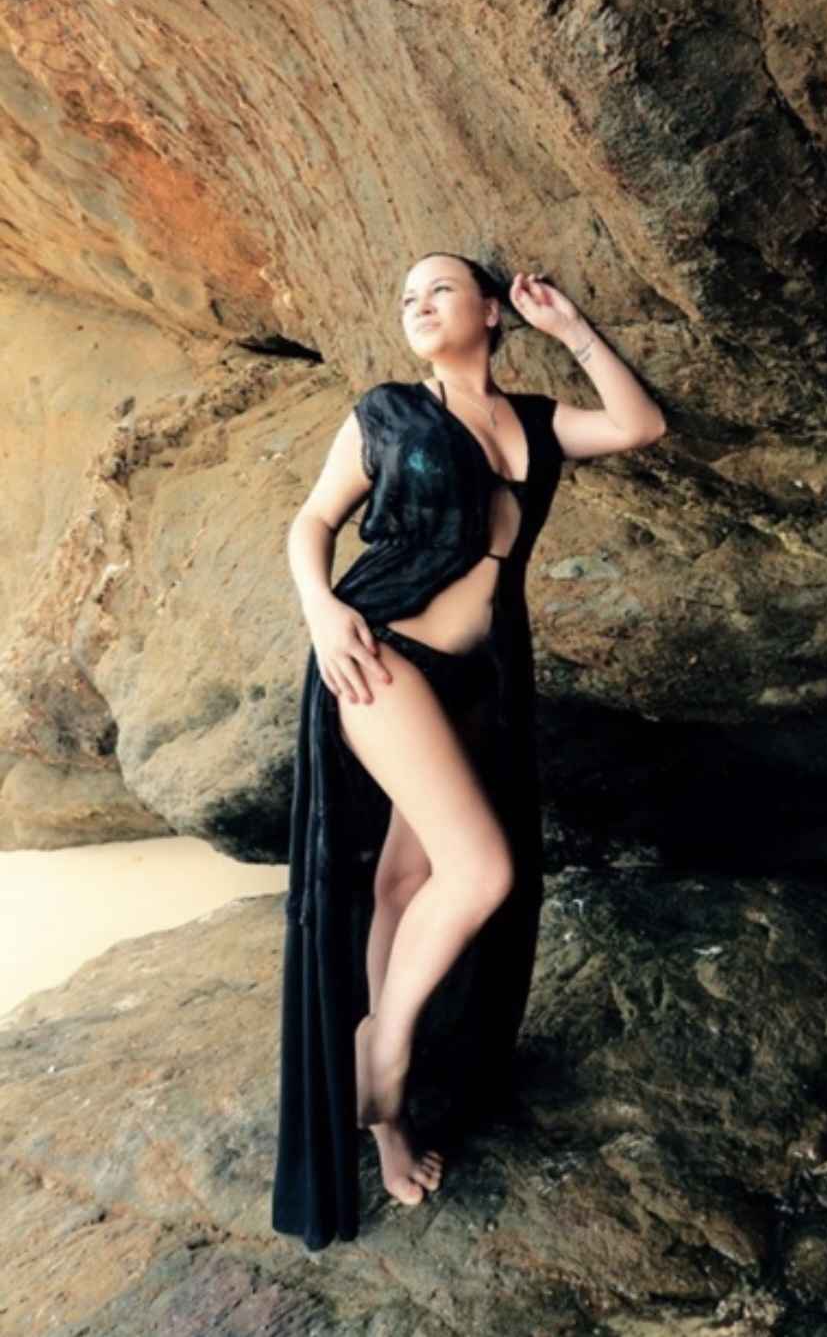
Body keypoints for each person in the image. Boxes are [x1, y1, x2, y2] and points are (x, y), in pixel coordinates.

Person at [271, 254, 667, 1248]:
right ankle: (383, 1050)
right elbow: (313, 520)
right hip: (382, 653)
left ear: (490, 311)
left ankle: (388, 1127)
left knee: (408, 883)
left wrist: (571, 329)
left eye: (439, 290)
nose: (419, 304)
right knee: (482, 870)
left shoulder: (533, 421)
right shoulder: (387, 414)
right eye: (406, 296)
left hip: (474, 682)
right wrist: (320, 611)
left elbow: (638, 427)